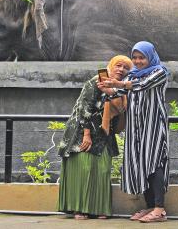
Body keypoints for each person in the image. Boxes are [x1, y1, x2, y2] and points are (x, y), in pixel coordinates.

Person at [99, 41, 169, 223]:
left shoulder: (160, 72)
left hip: (153, 127)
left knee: (154, 164)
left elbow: (142, 85)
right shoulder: (132, 75)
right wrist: (109, 89)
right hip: (136, 130)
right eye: (135, 57)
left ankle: (160, 209)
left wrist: (119, 83)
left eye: (142, 57)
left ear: (150, 57)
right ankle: (149, 206)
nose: (138, 61)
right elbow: (122, 93)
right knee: (142, 165)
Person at [57, 55, 133, 220]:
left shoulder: (122, 88)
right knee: (84, 169)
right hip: (83, 132)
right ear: (111, 65)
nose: (121, 70)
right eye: (118, 65)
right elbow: (86, 107)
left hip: (104, 134)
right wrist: (86, 134)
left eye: (126, 68)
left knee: (102, 170)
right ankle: (79, 209)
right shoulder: (98, 79)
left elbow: (121, 109)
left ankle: (100, 208)